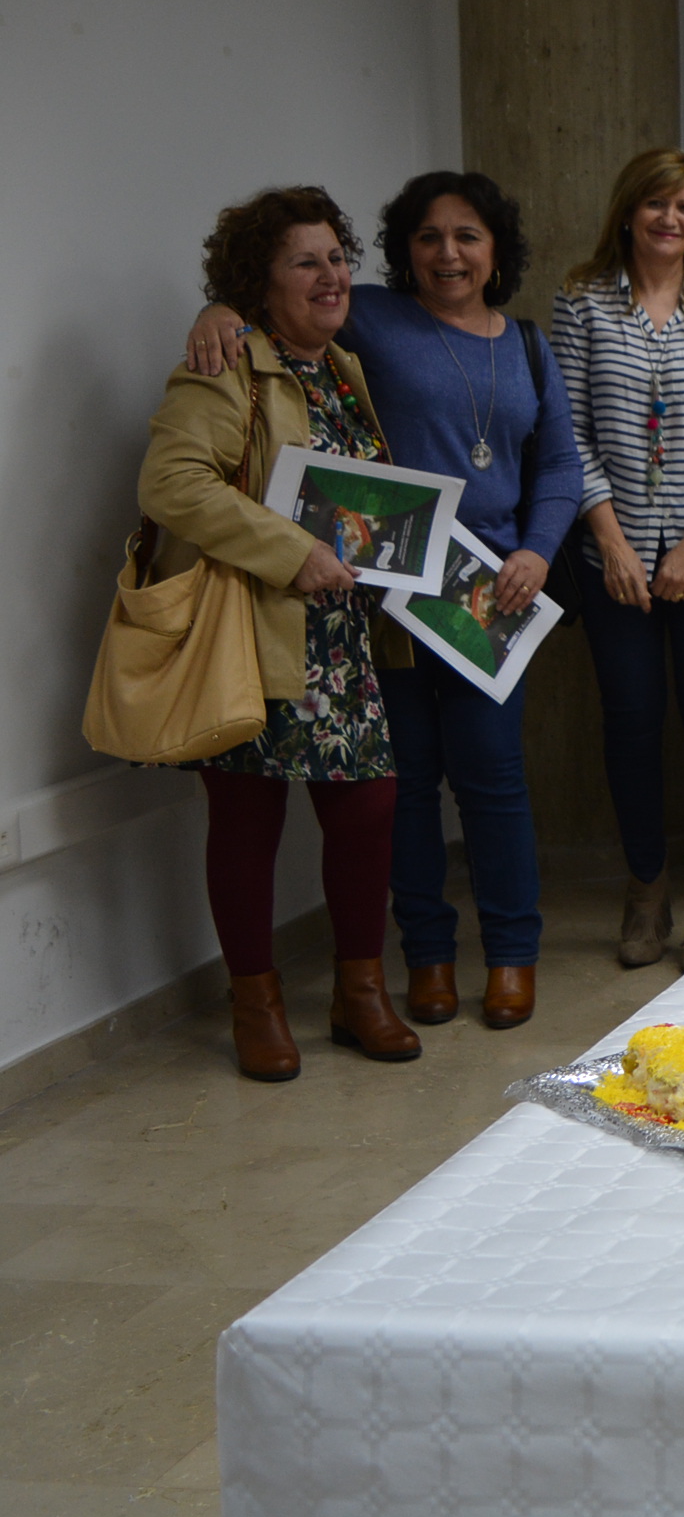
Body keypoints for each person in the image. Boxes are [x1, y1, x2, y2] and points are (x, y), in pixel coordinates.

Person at [186, 172, 584, 1030]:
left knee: (495, 778)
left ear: (494, 249)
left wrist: (537, 550)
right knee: (399, 786)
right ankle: (427, 959)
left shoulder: (525, 343)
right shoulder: (364, 316)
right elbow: (275, 312)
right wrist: (214, 314)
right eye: (430, 236)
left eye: (468, 236)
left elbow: (558, 465)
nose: (449, 253)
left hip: (490, 586)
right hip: (384, 588)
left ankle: (512, 958)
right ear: (405, 249)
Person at [144, 188, 421, 1080]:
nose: (332, 276)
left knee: (368, 812)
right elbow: (173, 486)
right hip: (257, 630)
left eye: (338, 258)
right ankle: (254, 1000)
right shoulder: (226, 364)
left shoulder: (343, 366)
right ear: (257, 283)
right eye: (306, 262)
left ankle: (359, 991)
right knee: (248, 820)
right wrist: (291, 552)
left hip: (342, 638)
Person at [551, 149, 684, 971]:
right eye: (655, 206)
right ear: (629, 212)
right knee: (631, 725)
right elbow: (570, 434)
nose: (670, 220)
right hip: (615, 563)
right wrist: (611, 541)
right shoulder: (584, 304)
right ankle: (646, 888)